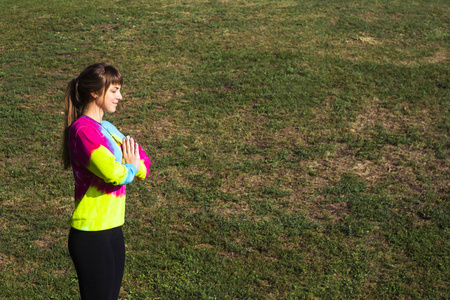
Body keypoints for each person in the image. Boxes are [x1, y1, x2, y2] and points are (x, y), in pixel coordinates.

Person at [62, 63, 151, 299]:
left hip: (113, 229)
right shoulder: (83, 132)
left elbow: (144, 164)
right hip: (91, 232)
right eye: (114, 90)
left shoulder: (108, 128)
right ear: (94, 92)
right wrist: (130, 165)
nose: (120, 96)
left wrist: (131, 166)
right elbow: (114, 173)